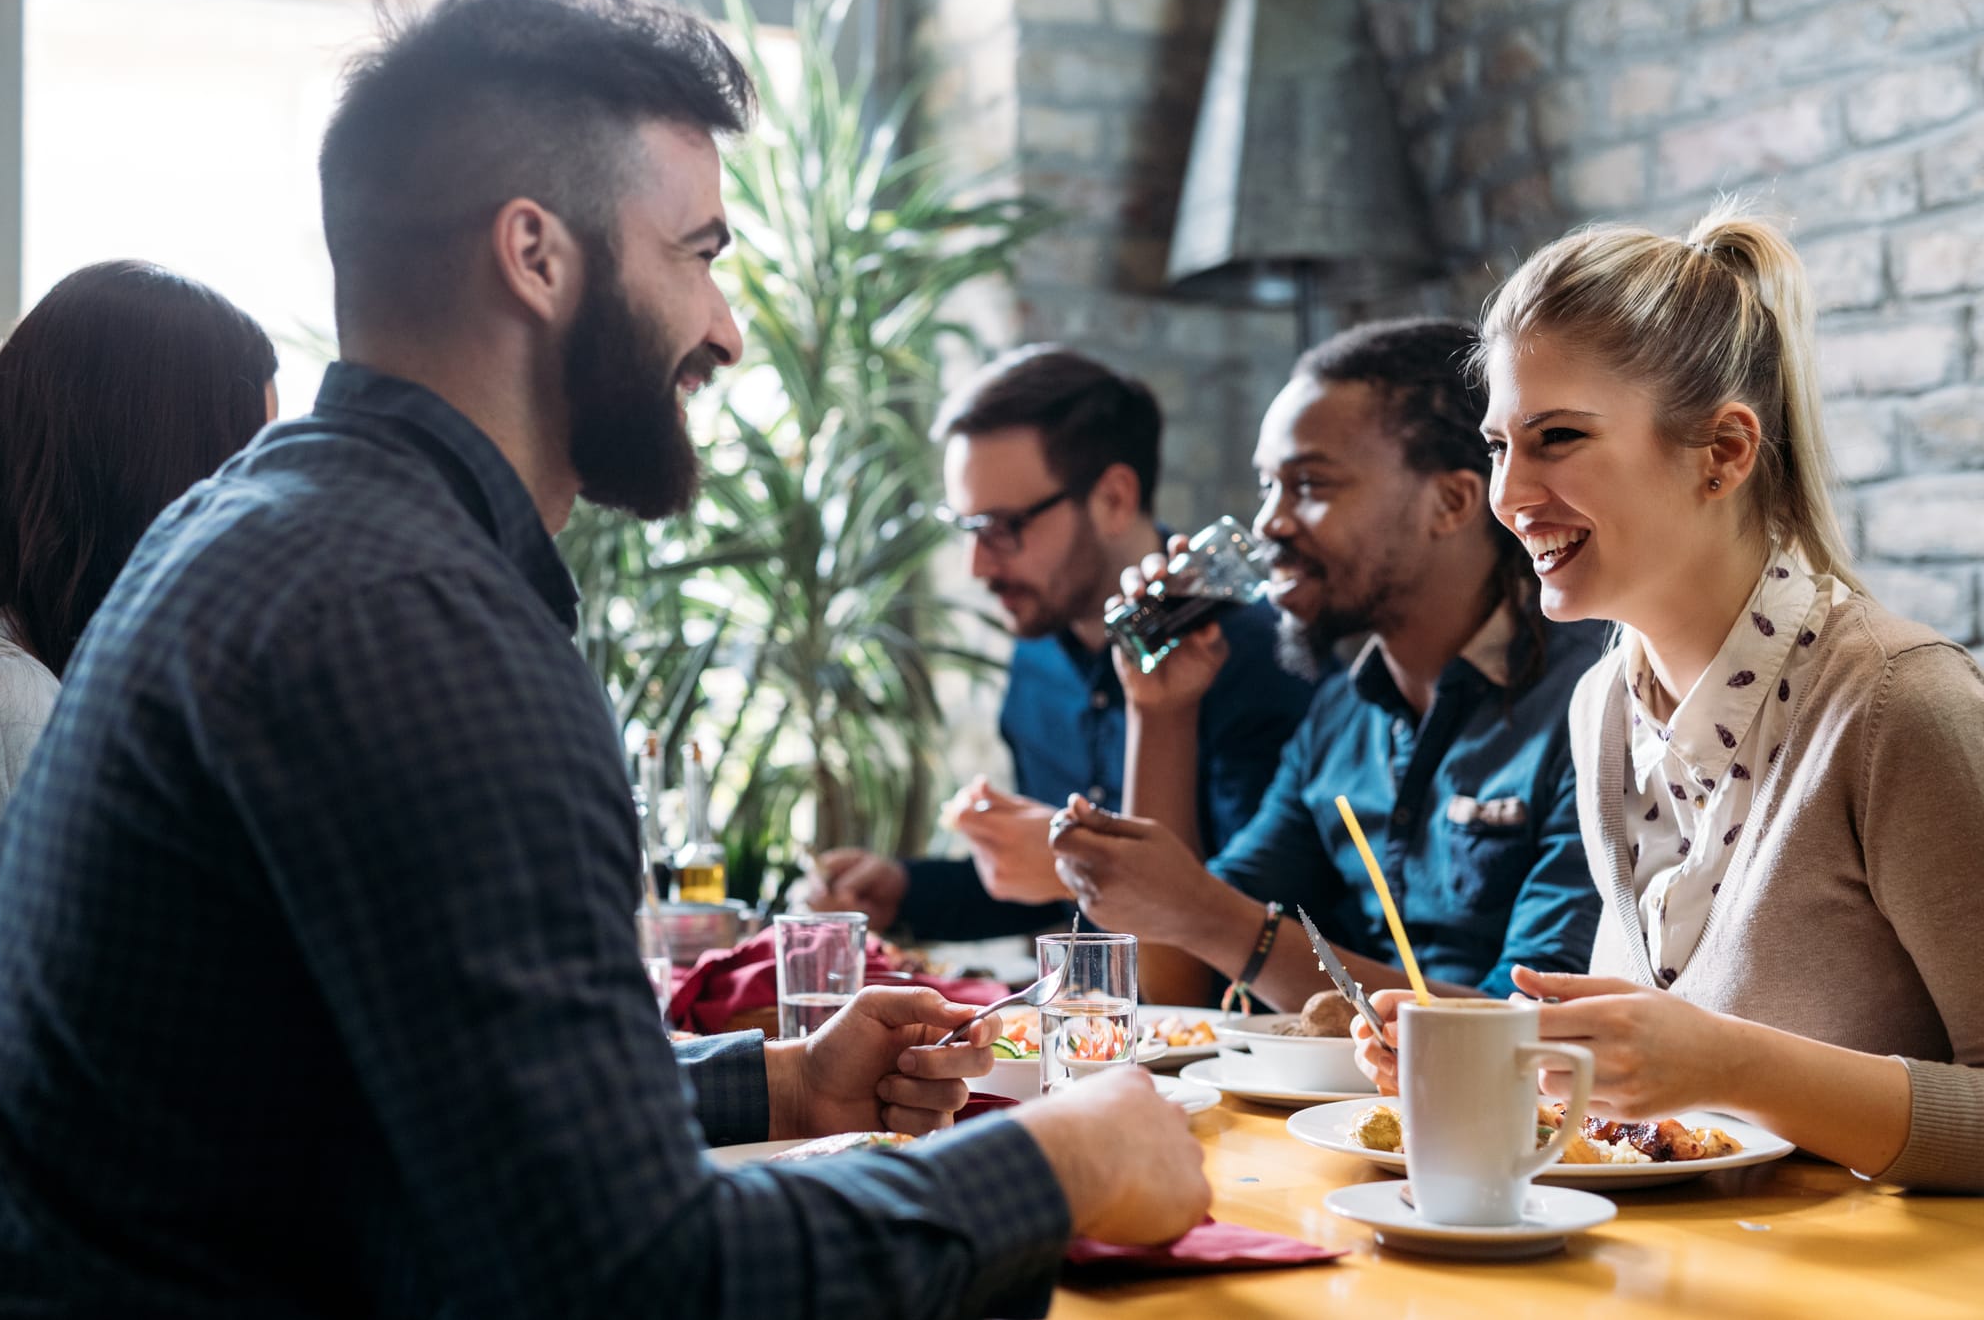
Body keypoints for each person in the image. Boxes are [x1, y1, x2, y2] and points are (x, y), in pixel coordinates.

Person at [0, 0, 1208, 1316]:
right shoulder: (418, 623)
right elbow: (632, 1278)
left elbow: (399, 1104)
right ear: (537, 254)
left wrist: (778, 1082)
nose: (728, 328)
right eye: (698, 252)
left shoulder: (257, 536)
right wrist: (1056, 1157)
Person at [1352, 206, 1984, 1192]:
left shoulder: (1899, 702)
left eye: (1555, 437)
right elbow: (1657, 1103)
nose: (1508, 493)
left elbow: (1719, 1072)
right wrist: (1505, 1055)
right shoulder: (1601, 706)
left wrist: (1733, 1064)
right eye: (1496, 444)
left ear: (1723, 454)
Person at [1050, 319, 1606, 1008]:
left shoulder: (1593, 705)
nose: (1268, 525)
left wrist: (1212, 917)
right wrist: (1160, 713)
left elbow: (1540, 1031)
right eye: (1266, 487)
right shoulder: (1340, 716)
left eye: (1309, 485)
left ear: (1452, 502)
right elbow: (1177, 980)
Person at [806, 344, 1316, 940]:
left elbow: (1254, 915)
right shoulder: (1038, 651)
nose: (976, 565)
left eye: (1002, 528)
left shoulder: (1251, 654)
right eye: (967, 529)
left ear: (1114, 499)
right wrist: (907, 890)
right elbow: (1045, 884)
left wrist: (1079, 863)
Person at [0, 259, 277, 840]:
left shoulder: (49, 675)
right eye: (245, 462)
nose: (260, 500)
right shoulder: (12, 702)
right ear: (156, 472)